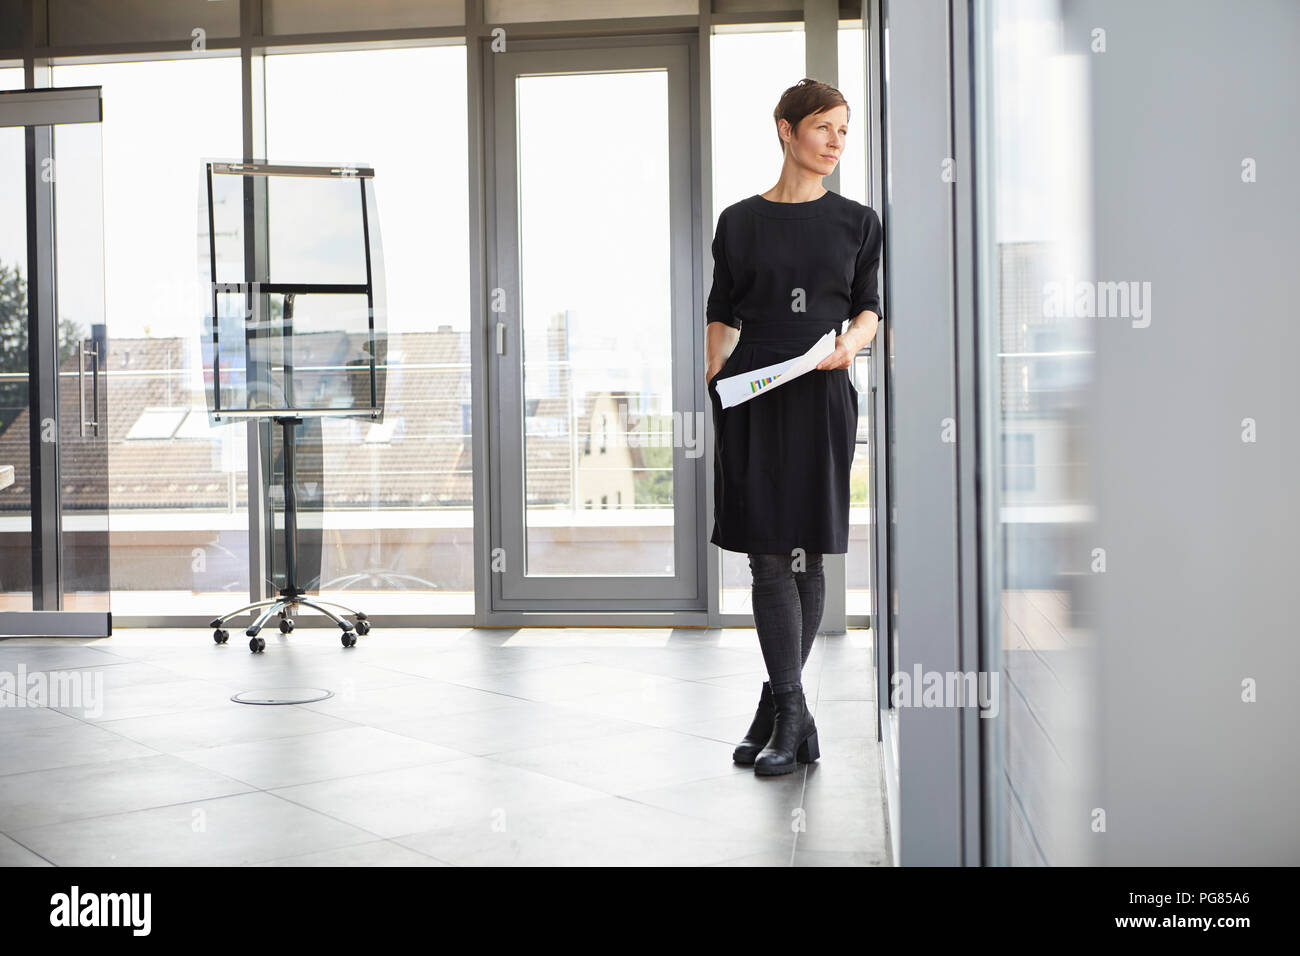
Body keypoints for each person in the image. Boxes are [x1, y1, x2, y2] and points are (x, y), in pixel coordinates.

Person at [705, 78, 883, 777]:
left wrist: (852, 346)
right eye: (824, 128)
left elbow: (870, 307)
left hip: (822, 387)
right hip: (752, 391)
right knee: (767, 553)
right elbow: (721, 307)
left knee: (806, 548)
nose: (838, 142)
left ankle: (781, 709)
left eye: (844, 130)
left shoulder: (859, 221)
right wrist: (715, 369)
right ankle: (790, 713)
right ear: (786, 130)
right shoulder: (739, 220)